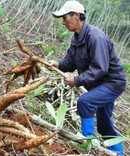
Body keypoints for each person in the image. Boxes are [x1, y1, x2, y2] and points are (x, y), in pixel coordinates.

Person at [50, 1, 127, 155]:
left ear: (76, 15)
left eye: (65, 17)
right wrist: (57, 64)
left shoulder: (96, 38)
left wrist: (77, 80)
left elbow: (100, 68)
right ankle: (119, 154)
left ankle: (88, 144)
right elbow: (70, 62)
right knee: (104, 125)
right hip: (99, 84)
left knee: (85, 102)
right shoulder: (77, 38)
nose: (63, 22)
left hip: (112, 83)